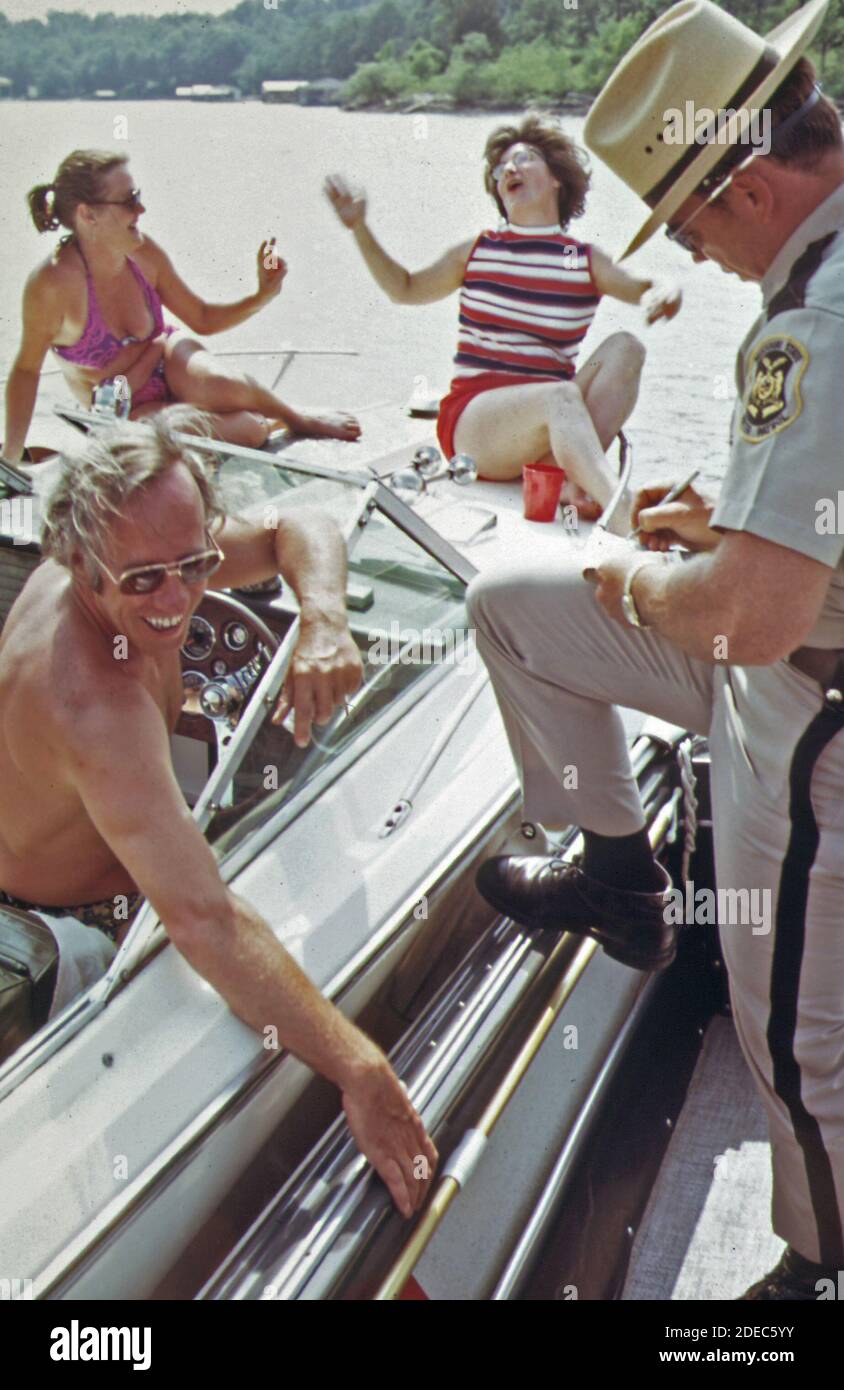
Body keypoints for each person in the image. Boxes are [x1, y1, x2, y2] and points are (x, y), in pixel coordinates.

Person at [468, 0, 844, 1299]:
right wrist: (736, 526)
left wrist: (637, 567)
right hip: (787, 638)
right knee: (513, 594)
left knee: (789, 1025)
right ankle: (621, 872)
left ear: (745, 186)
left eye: (688, 229)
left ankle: (811, 1267)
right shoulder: (820, 275)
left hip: (810, 708)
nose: (703, 255)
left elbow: (746, 618)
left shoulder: (816, 322)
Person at [0, 409, 435, 1218]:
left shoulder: (135, 557)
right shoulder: (98, 705)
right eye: (144, 581)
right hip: (74, 931)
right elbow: (204, 921)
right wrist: (359, 1068)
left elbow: (297, 525)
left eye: (196, 561)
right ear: (80, 563)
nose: (180, 601)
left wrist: (325, 618)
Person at [325, 114, 681, 523]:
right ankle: (626, 516)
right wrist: (360, 229)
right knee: (559, 395)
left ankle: (569, 479)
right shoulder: (478, 250)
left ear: (556, 179)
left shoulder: (580, 260)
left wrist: (666, 288)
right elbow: (404, 288)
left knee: (626, 348)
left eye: (525, 158)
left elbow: (643, 286)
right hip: (476, 427)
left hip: (543, 420)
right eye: (500, 168)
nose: (509, 169)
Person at [3, 149, 361, 464]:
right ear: (88, 215)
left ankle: (295, 416)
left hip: (170, 358)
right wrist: (10, 463)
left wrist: (261, 296)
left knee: (222, 384)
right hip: (126, 410)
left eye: (138, 196)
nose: (141, 209)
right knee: (244, 433)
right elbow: (26, 371)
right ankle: (264, 419)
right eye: (128, 201)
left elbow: (201, 318)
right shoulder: (53, 283)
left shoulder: (143, 254)